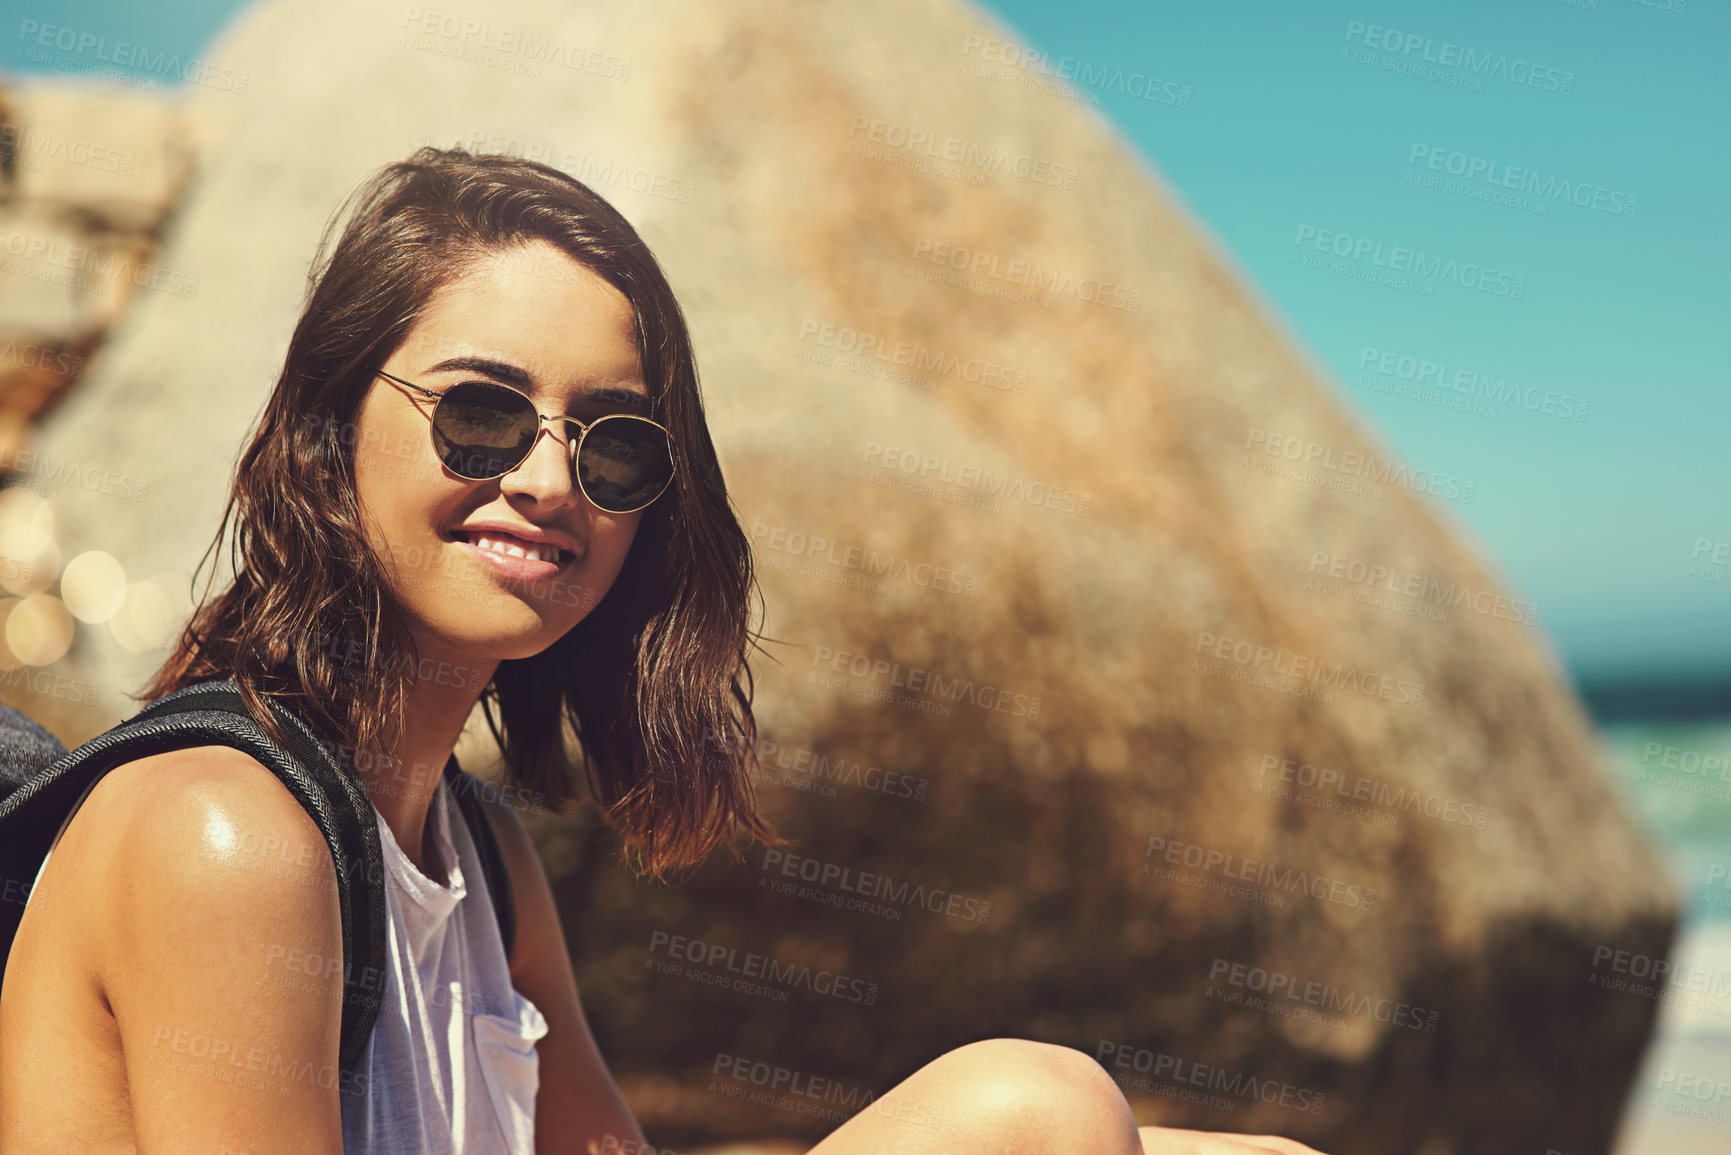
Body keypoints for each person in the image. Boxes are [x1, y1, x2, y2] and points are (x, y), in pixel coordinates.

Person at [0, 148, 1327, 1155]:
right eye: (480, 413)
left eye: (614, 440)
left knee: (1053, 1111)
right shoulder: (222, 840)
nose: (546, 478)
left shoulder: (479, 855)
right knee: (1038, 1110)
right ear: (327, 439)